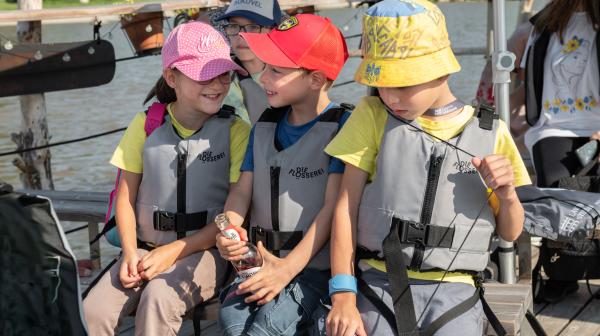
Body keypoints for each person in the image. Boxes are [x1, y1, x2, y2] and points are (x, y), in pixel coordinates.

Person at [323, 1, 531, 335]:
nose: (390, 96)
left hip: (456, 289)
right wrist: (344, 294)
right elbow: (345, 207)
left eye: (402, 84)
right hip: (377, 282)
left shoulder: (492, 133)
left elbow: (510, 232)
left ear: (442, 71)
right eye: (382, 84)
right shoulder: (371, 116)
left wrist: (506, 195)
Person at [83, 21, 250, 336]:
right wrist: (131, 252)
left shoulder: (236, 132)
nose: (217, 84)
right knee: (94, 311)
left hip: (208, 252)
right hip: (144, 248)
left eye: (223, 73)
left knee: (160, 297)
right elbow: (125, 197)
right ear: (171, 77)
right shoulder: (146, 124)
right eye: (204, 74)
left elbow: (232, 213)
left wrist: (174, 252)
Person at [214, 14, 350, 336]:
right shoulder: (263, 125)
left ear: (316, 80)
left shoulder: (342, 127)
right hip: (258, 263)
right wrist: (229, 226)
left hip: (313, 269)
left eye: (276, 70)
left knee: (267, 328)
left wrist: (287, 269)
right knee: (232, 323)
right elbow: (242, 191)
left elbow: (334, 208)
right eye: (266, 67)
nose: (263, 79)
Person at [521, 0, 600, 302]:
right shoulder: (546, 23)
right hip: (553, 125)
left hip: (594, 123)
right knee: (557, 196)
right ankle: (561, 273)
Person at [217, 0, 283, 124]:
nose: (241, 35)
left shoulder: (292, 79)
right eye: (234, 26)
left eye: (253, 27)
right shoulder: (216, 79)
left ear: (273, 30)